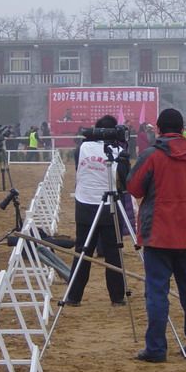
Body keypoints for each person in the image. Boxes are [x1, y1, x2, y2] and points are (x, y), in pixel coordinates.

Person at [126, 108, 186, 363]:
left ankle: (156, 348)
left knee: (157, 292)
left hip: (159, 234)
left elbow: (133, 187)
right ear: (183, 128)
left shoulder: (151, 156)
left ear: (159, 129)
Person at [66, 115, 128, 307]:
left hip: (84, 204)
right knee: (113, 253)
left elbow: (79, 167)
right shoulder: (118, 151)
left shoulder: (83, 148)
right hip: (109, 206)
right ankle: (117, 296)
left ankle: (73, 296)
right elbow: (125, 181)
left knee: (82, 252)